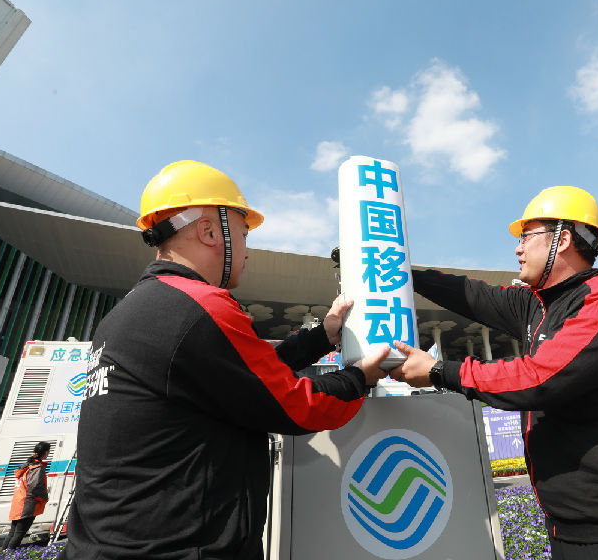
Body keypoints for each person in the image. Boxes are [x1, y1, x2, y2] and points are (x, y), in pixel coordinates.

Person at [58, 160, 389, 560]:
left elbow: (242, 375)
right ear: (210, 231)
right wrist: (359, 376)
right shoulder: (201, 306)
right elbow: (298, 407)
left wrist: (322, 336)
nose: (248, 251)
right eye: (243, 234)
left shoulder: (130, 312)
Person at [390, 186, 598, 559]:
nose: (517, 248)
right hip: (570, 530)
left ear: (564, 239)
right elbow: (470, 294)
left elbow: (540, 378)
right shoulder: (537, 307)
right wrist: (398, 271)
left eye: (526, 236)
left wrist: (440, 371)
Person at [2, 441, 50, 549]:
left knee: (12, 533)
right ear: (46, 452)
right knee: (19, 533)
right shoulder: (37, 467)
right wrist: (44, 497)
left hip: (19, 502)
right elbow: (34, 486)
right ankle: (8, 554)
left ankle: (2, 554)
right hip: (28, 503)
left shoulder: (26, 466)